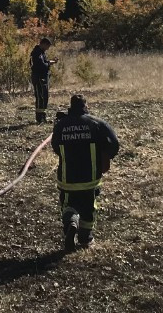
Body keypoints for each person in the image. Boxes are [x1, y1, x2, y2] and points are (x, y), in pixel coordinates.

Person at [51, 94, 119, 251]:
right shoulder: (96, 123)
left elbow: (55, 147)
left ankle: (71, 221)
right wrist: (106, 157)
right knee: (89, 207)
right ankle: (85, 238)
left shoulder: (61, 125)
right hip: (90, 179)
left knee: (68, 204)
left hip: (67, 179)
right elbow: (114, 143)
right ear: (85, 106)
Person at [30, 38, 55, 123]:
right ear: (43, 44)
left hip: (42, 78)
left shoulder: (41, 53)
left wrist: (50, 62)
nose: (48, 48)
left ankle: (43, 117)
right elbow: (41, 65)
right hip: (39, 78)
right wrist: (48, 64)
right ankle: (39, 118)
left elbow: (43, 63)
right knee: (40, 98)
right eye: (47, 46)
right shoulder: (36, 53)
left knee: (44, 97)